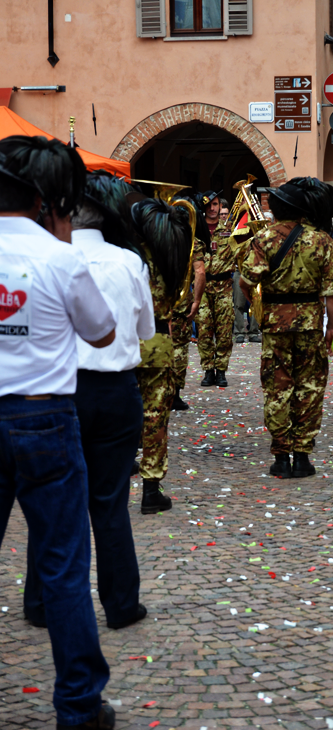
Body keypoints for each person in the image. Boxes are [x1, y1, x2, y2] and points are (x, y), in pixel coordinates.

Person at [0, 136, 117, 729]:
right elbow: (102, 333)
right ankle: (79, 706)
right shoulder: (58, 257)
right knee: (63, 566)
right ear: (48, 202)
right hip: (43, 417)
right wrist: (62, 246)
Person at [24, 171, 156, 633]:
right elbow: (145, 331)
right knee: (110, 502)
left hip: (60, 390)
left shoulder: (47, 259)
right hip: (117, 391)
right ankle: (121, 604)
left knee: (53, 501)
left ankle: (41, 602)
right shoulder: (129, 261)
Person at [240, 177, 333, 479]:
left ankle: (281, 457)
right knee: (310, 387)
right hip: (310, 324)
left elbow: (247, 282)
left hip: (275, 325)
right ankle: (303, 457)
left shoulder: (264, 238)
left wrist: (261, 304)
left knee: (277, 388)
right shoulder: (322, 240)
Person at [132, 197, 192, 514]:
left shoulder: (127, 255)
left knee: (124, 409)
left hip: (125, 342)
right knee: (156, 418)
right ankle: (151, 490)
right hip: (159, 341)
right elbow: (179, 301)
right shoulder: (172, 256)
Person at [170, 194, 207, 411]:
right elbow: (200, 271)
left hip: (158, 301)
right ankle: (174, 394)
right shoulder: (193, 242)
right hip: (182, 303)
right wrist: (197, 300)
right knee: (179, 348)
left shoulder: (155, 236)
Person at [196, 190, 235, 387]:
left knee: (224, 330)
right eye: (209, 204)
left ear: (221, 206)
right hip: (202, 287)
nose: (212, 208)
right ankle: (208, 370)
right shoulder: (196, 229)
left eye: (216, 204)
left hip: (224, 286)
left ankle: (221, 370)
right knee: (204, 330)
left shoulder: (230, 230)